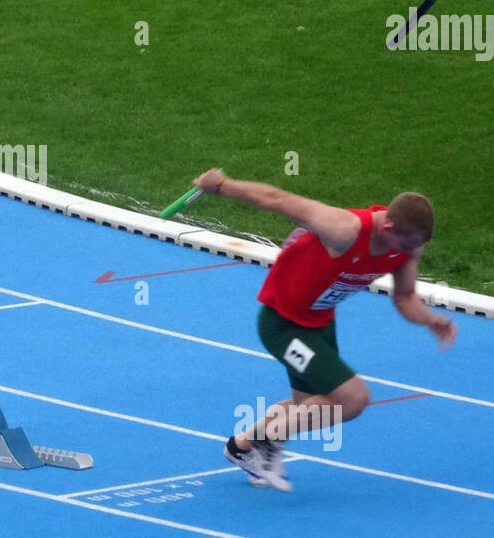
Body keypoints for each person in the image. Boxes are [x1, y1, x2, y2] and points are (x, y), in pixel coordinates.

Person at [190, 168, 456, 492]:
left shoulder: (407, 246)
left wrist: (431, 320)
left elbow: (404, 297)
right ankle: (268, 441)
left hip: (319, 323)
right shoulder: (343, 229)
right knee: (354, 399)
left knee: (313, 405)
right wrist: (220, 186)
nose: (409, 252)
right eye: (407, 244)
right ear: (389, 227)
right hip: (282, 323)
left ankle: (241, 447)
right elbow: (278, 199)